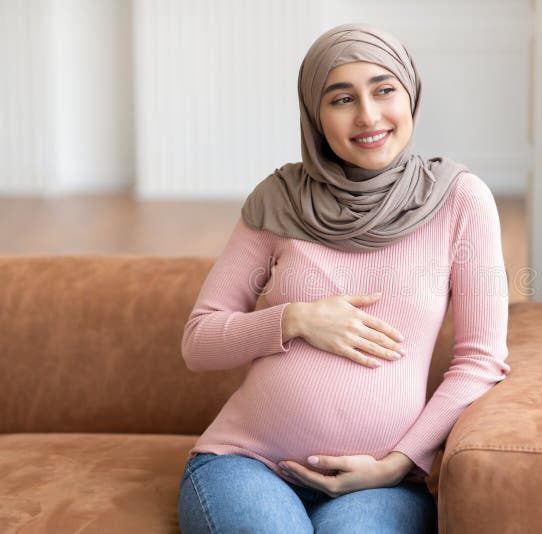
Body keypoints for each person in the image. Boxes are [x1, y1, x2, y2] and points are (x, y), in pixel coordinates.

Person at [177, 22, 511, 534]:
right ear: (316, 115)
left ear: (410, 95)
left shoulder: (460, 201)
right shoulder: (279, 200)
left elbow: (480, 360)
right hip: (247, 464)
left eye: (384, 90)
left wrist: (399, 461)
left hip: (380, 483)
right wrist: (295, 320)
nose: (368, 116)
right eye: (341, 98)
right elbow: (198, 342)